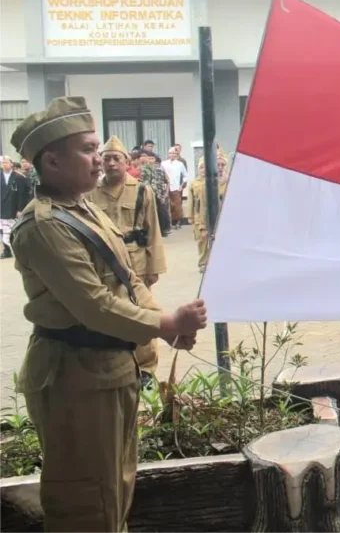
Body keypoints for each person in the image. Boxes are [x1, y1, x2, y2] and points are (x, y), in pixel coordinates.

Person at [8, 96, 206, 531]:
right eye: (87, 150)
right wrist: (167, 324)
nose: (98, 159)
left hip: (109, 369)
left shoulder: (84, 209)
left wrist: (165, 324)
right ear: (52, 162)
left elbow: (128, 277)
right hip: (73, 377)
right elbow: (94, 304)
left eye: (98, 149)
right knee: (84, 501)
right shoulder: (45, 226)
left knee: (114, 489)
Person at [87, 135, 168, 386]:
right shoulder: (91, 193)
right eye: (106, 159)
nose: (111, 163)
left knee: (142, 312)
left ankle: (145, 368)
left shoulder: (142, 190)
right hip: (104, 261)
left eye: (116, 159)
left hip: (135, 259)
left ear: (127, 162)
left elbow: (153, 231)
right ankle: (116, 363)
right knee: (109, 312)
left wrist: (154, 268)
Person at [189, 154, 229, 273]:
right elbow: (202, 207)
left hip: (225, 219)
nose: (220, 167)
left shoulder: (231, 182)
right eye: (218, 165)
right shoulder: (206, 184)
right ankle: (203, 262)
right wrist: (201, 225)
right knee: (203, 240)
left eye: (223, 165)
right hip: (207, 219)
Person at [1, 155, 31, 258]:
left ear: (11, 164)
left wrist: (20, 209)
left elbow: (22, 194)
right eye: (3, 163)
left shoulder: (18, 177)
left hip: (14, 208)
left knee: (17, 231)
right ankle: (7, 251)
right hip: (2, 208)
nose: (5, 164)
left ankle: (22, 251)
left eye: (7, 162)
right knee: (5, 232)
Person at [162, 147, 188, 228]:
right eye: (170, 153)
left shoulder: (180, 164)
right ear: (168, 154)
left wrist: (182, 185)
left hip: (176, 187)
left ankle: (178, 222)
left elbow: (185, 175)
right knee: (167, 205)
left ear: (176, 154)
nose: (172, 155)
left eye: (173, 153)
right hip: (166, 187)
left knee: (177, 206)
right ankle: (168, 223)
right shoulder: (163, 163)